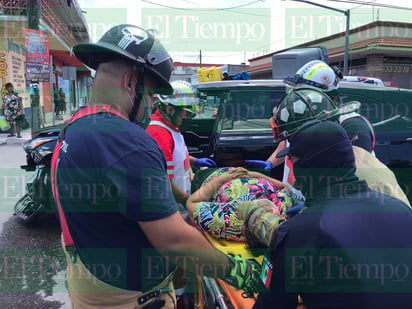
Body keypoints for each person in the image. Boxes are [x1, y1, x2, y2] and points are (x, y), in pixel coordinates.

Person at [51, 24, 263, 308]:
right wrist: (239, 271)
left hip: (89, 283)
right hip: (130, 298)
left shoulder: (75, 128)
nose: (151, 107)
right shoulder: (127, 141)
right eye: (151, 96)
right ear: (130, 82)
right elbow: (174, 242)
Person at [238, 120, 412, 309]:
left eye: (295, 164)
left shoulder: (298, 233)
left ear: (309, 169)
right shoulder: (401, 209)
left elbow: (272, 304)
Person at [246, 60, 376, 173]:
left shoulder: (353, 125)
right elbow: (287, 143)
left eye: (302, 93)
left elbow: (357, 171)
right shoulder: (308, 117)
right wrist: (270, 163)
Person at [147, 80, 217, 207]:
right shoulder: (159, 133)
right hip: (172, 205)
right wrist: (188, 201)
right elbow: (164, 181)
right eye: (187, 113)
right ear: (170, 110)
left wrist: (195, 161)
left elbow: (172, 157)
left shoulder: (171, 127)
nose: (190, 117)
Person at [186, 167, 294, 242]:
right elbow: (282, 186)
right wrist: (252, 174)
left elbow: (191, 203)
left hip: (213, 178)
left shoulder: (229, 218)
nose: (270, 211)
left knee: (193, 173)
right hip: (242, 172)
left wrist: (225, 178)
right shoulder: (281, 209)